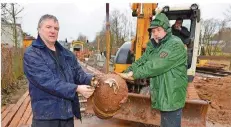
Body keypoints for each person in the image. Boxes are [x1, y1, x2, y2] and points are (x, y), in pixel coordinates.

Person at [23, 14, 98, 127]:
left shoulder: (66, 54)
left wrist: (92, 79)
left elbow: (78, 74)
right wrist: (76, 88)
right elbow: (47, 82)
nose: (53, 31)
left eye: (56, 28)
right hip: (46, 117)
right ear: (39, 29)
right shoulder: (32, 54)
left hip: (67, 115)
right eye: (49, 27)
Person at [117, 13, 188, 127]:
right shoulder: (156, 45)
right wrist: (126, 72)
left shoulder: (175, 44)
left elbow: (156, 65)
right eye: (153, 31)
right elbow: (143, 61)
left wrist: (134, 74)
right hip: (164, 93)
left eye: (158, 30)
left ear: (166, 29)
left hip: (172, 94)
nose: (155, 34)